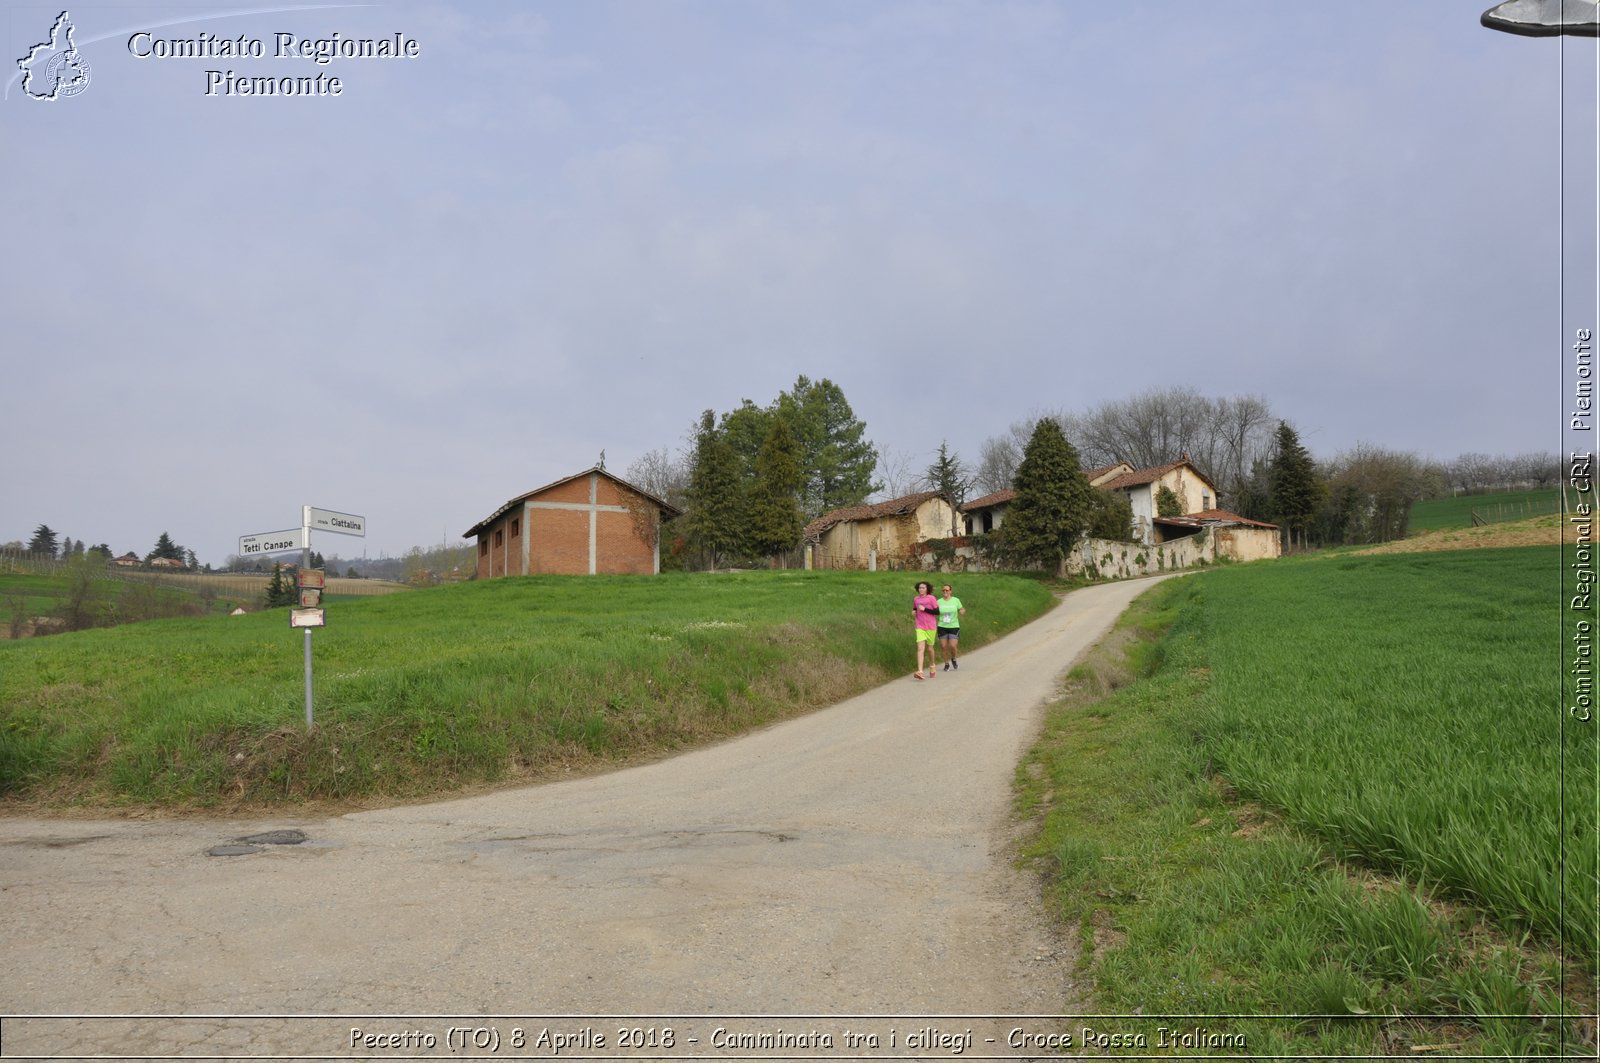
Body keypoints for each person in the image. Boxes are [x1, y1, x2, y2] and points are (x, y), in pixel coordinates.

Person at [911, 580, 939, 679]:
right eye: (919, 588)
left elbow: (937, 611)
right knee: (920, 648)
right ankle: (920, 671)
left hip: (931, 626)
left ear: (927, 589)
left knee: (930, 649)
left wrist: (925, 609)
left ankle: (932, 665)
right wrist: (914, 612)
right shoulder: (916, 599)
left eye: (923, 588)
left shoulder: (931, 598)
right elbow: (915, 608)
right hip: (920, 626)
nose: (921, 589)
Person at [936, 583, 966, 670]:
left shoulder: (956, 600)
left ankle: (953, 658)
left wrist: (962, 611)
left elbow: (961, 609)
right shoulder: (938, 601)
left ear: (950, 591)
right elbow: (934, 611)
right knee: (943, 646)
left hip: (954, 626)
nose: (945, 592)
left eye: (947, 590)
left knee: (953, 646)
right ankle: (946, 663)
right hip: (942, 626)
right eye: (943, 590)